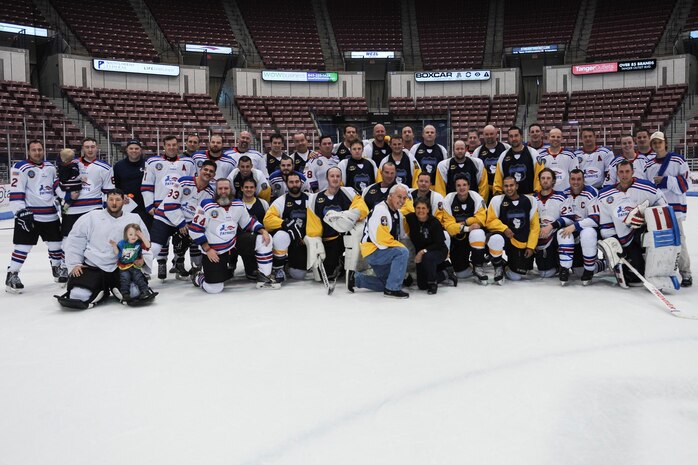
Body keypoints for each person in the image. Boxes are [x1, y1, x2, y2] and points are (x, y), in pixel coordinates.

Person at [56, 189, 153, 309]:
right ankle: (101, 290)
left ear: (124, 201)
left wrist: (143, 260)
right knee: (79, 295)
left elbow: (145, 242)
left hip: (122, 267)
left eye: (117, 200)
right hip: (93, 265)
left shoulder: (134, 218)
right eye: (111, 199)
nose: (114, 203)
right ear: (106, 200)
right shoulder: (91, 217)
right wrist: (74, 264)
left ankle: (112, 287)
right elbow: (75, 240)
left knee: (135, 293)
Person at [189, 178, 276, 292]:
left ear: (231, 190)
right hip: (214, 250)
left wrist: (263, 231)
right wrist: (207, 249)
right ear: (216, 190)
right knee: (214, 288)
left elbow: (248, 222)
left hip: (233, 244)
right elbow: (195, 230)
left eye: (226, 188)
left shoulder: (238, 204)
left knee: (264, 239)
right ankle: (198, 276)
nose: (223, 191)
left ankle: (264, 277)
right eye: (220, 188)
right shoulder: (206, 205)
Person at [6, 140, 67, 292]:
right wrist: (20, 212)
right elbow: (16, 191)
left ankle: (57, 269)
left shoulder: (50, 167)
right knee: (23, 246)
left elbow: (55, 187)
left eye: (40, 149)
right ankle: (12, 274)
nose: (37, 152)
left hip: (50, 214)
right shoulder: (20, 167)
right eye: (34, 150)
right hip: (30, 214)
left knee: (56, 245)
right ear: (28, 152)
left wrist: (65, 197)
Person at [598, 160, 668, 286]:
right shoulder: (605, 195)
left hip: (644, 232)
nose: (624, 175)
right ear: (617, 174)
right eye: (621, 172)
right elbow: (606, 223)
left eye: (627, 171)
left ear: (633, 172)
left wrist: (646, 215)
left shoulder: (646, 187)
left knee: (654, 256)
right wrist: (614, 244)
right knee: (637, 275)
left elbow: (663, 205)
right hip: (625, 240)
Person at [149, 159, 216, 279]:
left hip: (186, 224)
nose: (208, 172)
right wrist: (181, 223)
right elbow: (170, 204)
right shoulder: (184, 181)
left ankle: (192, 267)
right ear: (200, 170)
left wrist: (193, 228)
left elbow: (201, 215)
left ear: (214, 175)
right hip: (165, 218)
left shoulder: (210, 193)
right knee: (155, 247)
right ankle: (140, 272)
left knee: (196, 239)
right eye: (205, 169)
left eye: (211, 171)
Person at [142, 135, 196, 279]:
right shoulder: (153, 162)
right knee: (160, 241)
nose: (172, 147)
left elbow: (194, 186)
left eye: (174, 145)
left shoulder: (188, 162)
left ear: (178, 146)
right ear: (164, 146)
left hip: (182, 210)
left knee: (183, 238)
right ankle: (159, 264)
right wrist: (149, 206)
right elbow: (147, 186)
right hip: (161, 209)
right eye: (169, 145)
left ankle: (179, 263)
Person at [644, 131, 691, 286]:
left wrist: (666, 181)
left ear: (665, 142)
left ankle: (686, 273)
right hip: (658, 210)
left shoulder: (677, 160)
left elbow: (686, 184)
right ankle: (663, 270)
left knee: (680, 240)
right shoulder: (649, 164)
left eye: (659, 142)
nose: (657, 145)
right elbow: (647, 188)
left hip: (675, 208)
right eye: (654, 143)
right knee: (660, 241)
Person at [347, 184, 410, 298]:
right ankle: (392, 290)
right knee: (402, 252)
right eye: (399, 197)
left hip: (380, 251)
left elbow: (400, 235)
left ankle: (356, 279)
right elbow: (381, 240)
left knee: (387, 282)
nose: (402, 201)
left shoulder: (397, 213)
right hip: (374, 251)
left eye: (404, 198)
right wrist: (401, 248)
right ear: (390, 196)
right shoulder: (381, 211)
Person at [306, 167, 369, 279]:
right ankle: (339, 263)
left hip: (347, 238)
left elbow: (361, 209)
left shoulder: (349, 192)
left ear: (341, 178)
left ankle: (346, 265)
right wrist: (316, 242)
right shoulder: (315, 199)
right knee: (325, 274)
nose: (335, 179)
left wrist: (347, 216)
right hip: (330, 241)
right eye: (332, 176)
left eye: (338, 176)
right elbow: (313, 226)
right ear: (327, 178)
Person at [485, 176, 540, 284]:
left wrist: (531, 246)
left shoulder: (530, 200)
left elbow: (535, 226)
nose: (509, 188)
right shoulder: (497, 200)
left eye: (511, 185)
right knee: (495, 238)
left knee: (515, 276)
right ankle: (498, 265)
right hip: (505, 238)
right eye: (506, 186)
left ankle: (506, 265)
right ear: (502, 187)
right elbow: (490, 221)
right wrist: (504, 228)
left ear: (517, 186)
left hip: (521, 241)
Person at [554, 169, 601, 285]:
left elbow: (595, 219)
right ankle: (564, 268)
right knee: (562, 233)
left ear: (583, 180)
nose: (576, 182)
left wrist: (575, 226)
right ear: (569, 180)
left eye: (579, 179)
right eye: (573, 179)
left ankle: (591, 268)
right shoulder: (565, 194)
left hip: (588, 229)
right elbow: (564, 216)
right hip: (573, 231)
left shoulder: (591, 192)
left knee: (587, 233)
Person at [61, 137, 114, 237]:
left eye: (92, 147)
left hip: (93, 209)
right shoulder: (71, 164)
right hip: (72, 210)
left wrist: (108, 211)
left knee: (94, 241)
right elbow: (62, 184)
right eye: (87, 147)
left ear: (97, 148)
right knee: (68, 241)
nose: (90, 150)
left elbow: (109, 191)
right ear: (82, 148)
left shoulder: (106, 168)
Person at [264, 172, 311, 282]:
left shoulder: (311, 198)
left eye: (296, 182)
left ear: (301, 183)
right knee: (280, 236)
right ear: (286, 184)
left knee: (298, 275)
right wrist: (284, 223)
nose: (294, 184)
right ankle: (278, 268)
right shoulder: (281, 201)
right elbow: (267, 220)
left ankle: (289, 263)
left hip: (304, 239)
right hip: (290, 238)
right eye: (291, 182)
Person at [441, 175, 488, 283]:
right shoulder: (449, 199)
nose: (461, 188)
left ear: (469, 186)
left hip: (471, 234)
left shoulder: (475, 197)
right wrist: (467, 227)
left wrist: (465, 222)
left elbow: (481, 219)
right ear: (455, 187)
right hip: (457, 237)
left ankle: (478, 266)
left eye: (464, 185)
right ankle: (465, 265)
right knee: (461, 274)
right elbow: (448, 226)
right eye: (458, 185)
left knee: (478, 232)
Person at [405, 198, 454, 294]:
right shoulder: (410, 218)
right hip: (422, 253)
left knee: (427, 257)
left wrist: (423, 251)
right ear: (414, 209)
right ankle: (446, 272)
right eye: (418, 208)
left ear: (428, 210)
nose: (420, 211)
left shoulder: (434, 222)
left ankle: (433, 283)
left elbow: (439, 243)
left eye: (423, 208)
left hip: (438, 251)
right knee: (422, 285)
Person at [234, 178, 270, 280]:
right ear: (241, 188)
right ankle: (232, 262)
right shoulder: (236, 205)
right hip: (243, 241)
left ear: (255, 189)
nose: (249, 189)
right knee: (251, 273)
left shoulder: (263, 203)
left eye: (251, 187)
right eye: (246, 187)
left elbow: (267, 221)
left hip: (260, 238)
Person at [493, 126, 544, 196]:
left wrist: (537, 195)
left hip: (529, 197)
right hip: (509, 198)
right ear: (508, 138)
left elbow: (539, 175)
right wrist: (498, 193)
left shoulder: (533, 153)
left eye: (516, 135)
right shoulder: (503, 155)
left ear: (521, 136)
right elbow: (498, 179)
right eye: (511, 136)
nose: (514, 139)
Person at [534, 168, 565, 279]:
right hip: (539, 238)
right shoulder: (532, 199)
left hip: (555, 237)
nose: (545, 181)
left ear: (553, 181)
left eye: (548, 178)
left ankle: (563, 264)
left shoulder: (562, 197)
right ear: (539, 180)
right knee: (545, 273)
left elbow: (569, 217)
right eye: (543, 178)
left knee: (579, 271)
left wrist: (552, 226)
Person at [110, 223, 152, 302]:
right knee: (125, 279)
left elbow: (148, 245)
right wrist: (114, 246)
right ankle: (125, 294)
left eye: (135, 235)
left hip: (134, 266)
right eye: (131, 234)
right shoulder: (122, 243)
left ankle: (145, 291)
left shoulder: (139, 243)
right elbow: (117, 253)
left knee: (139, 278)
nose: (133, 237)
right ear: (126, 234)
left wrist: (142, 236)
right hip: (124, 266)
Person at [113, 139, 149, 227]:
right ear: (127, 150)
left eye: (136, 149)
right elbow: (115, 185)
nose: (134, 151)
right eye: (131, 148)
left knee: (144, 232)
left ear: (141, 150)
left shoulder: (148, 164)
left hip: (145, 205)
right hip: (126, 204)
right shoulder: (119, 165)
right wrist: (121, 195)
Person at [537, 127, 578, 192]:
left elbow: (576, 176)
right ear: (548, 138)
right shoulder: (541, 156)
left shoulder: (570, 156)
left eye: (558, 137)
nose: (555, 139)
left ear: (562, 139)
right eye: (553, 136)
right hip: (547, 195)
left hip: (566, 195)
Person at [473, 124, 510, 192]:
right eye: (486, 134)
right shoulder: (477, 151)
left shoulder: (506, 148)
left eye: (491, 134)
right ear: (483, 135)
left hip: (504, 188)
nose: (489, 136)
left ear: (496, 134)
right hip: (485, 189)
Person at [56, 148, 81, 212]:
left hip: (68, 185)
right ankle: (64, 204)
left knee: (70, 195)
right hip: (72, 185)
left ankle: (63, 203)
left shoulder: (62, 166)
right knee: (74, 195)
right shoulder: (73, 165)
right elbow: (76, 174)